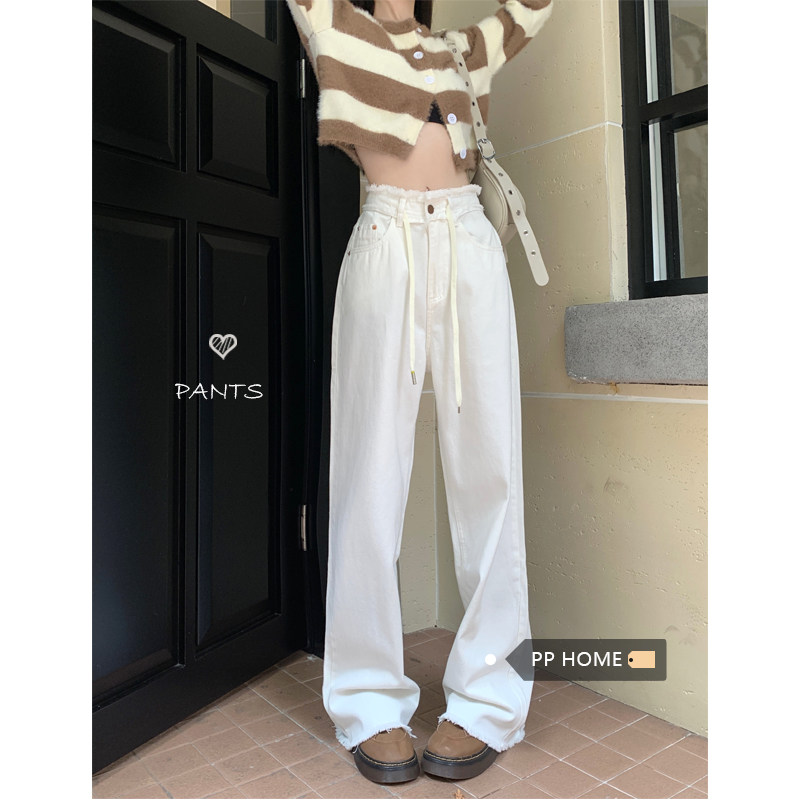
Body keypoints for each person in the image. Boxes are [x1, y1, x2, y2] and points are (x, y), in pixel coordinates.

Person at [284, 0, 554, 785]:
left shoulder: (463, 48)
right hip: (386, 238)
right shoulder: (334, 25)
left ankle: (489, 701)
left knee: (491, 474)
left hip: (469, 239)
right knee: (368, 477)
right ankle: (369, 702)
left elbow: (534, 9)